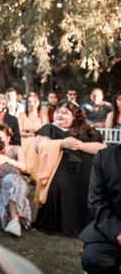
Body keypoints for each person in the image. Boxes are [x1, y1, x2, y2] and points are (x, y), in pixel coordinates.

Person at [33, 101, 106, 237]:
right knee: (60, 185)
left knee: (89, 188)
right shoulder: (49, 128)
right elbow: (39, 146)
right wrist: (61, 143)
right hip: (59, 170)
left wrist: (82, 146)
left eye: (65, 113)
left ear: (74, 116)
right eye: (58, 112)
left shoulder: (87, 130)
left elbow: (103, 148)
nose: (60, 115)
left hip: (86, 172)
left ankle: (87, 226)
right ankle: (62, 226)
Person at [79, 144, 121, 274]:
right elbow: (97, 201)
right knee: (93, 259)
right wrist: (117, 234)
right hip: (112, 226)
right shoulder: (105, 157)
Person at [0, 123, 31, 237]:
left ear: (8, 138)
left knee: (8, 179)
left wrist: (9, 160)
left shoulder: (16, 149)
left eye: (0, 138)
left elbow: (24, 167)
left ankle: (15, 220)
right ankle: (10, 218)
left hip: (17, 185)